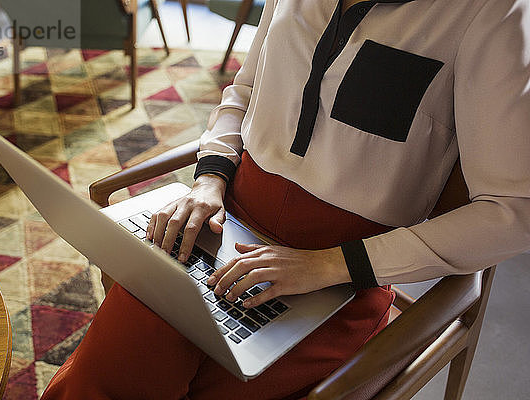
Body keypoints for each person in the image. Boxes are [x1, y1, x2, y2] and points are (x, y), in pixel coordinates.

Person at [42, 0, 530, 398]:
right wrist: (210, 180)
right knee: (115, 359)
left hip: (339, 284)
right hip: (223, 235)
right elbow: (245, 91)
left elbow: (513, 212)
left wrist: (328, 267)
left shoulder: (491, 12)